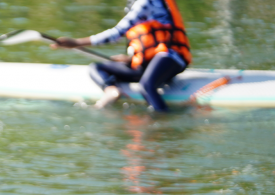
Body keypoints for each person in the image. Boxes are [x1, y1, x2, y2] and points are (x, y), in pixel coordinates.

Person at [54, 0, 191, 112]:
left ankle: (163, 120)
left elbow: (116, 33)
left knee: (146, 85)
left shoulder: (146, 2)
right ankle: (111, 90)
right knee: (97, 67)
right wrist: (131, 59)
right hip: (151, 62)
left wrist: (76, 43)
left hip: (170, 58)